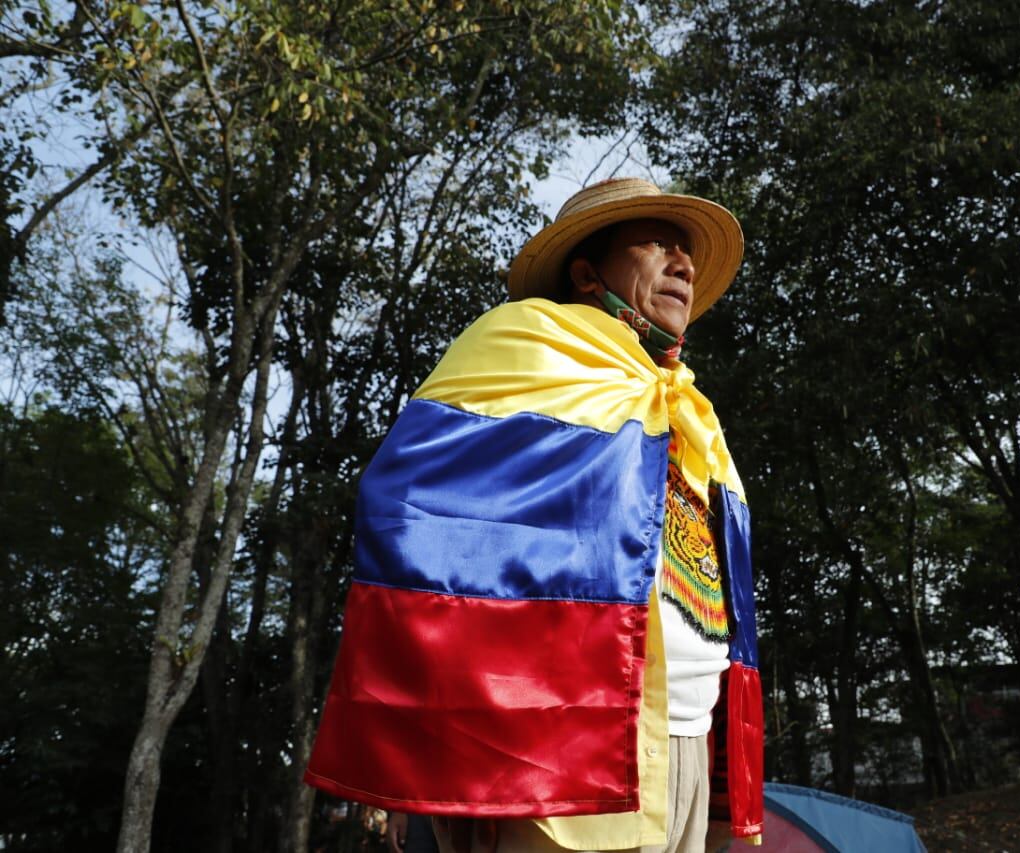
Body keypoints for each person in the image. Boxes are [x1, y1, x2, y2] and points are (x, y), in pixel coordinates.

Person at [306, 177, 764, 853]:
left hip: (690, 739)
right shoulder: (524, 345)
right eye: (657, 242)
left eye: (687, 251)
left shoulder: (691, 408)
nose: (684, 264)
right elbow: (412, 513)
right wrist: (425, 747)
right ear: (586, 272)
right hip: (560, 742)